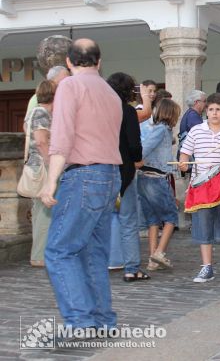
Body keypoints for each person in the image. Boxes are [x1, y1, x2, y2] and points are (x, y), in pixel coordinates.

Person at [40, 38, 123, 334]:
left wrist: (50, 183)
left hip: (83, 175)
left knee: (59, 251)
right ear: (99, 62)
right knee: (93, 254)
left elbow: (61, 138)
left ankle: (80, 322)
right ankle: (102, 321)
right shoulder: (111, 93)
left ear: (69, 63)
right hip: (110, 175)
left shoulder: (70, 86)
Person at [179, 93, 220, 282]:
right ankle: (207, 267)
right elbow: (184, 154)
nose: (214, 113)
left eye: (218, 109)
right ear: (205, 111)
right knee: (203, 225)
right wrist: (183, 163)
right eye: (210, 109)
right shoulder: (195, 131)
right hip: (201, 186)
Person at [106, 72, 148, 282]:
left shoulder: (98, 111)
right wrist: (137, 158)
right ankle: (131, 269)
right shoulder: (127, 111)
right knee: (128, 221)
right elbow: (134, 144)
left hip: (100, 170)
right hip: (124, 171)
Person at [139, 98, 181, 272]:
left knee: (153, 220)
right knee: (171, 217)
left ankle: (152, 260)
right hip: (154, 178)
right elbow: (144, 149)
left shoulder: (160, 130)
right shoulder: (162, 129)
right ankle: (159, 252)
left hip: (145, 178)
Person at [26, 80, 56, 267]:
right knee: (44, 212)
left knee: (42, 211)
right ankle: (39, 256)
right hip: (42, 166)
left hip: (37, 165)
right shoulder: (41, 113)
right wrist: (51, 164)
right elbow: (41, 141)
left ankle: (41, 254)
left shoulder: (35, 112)